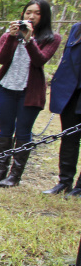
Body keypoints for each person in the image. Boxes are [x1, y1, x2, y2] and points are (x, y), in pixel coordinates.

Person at [0, 0, 61, 187]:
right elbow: (1, 59)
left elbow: (39, 60)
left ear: (44, 17)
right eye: (28, 12)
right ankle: (0, 171)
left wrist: (29, 40)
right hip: (7, 89)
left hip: (29, 92)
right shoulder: (8, 35)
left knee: (23, 132)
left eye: (37, 13)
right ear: (22, 14)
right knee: (5, 131)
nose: (31, 16)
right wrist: (12, 37)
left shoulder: (52, 38)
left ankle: (14, 176)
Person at [45, 20, 81, 196]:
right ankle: (64, 182)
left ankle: (80, 187)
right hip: (71, 93)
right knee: (69, 139)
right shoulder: (76, 29)